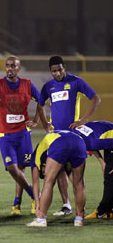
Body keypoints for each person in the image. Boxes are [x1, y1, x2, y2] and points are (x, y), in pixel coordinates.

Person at [39, 55, 101, 216]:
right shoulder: (48, 87)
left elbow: (96, 98)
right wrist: (45, 124)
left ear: (64, 68)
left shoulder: (76, 82)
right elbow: (40, 105)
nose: (57, 73)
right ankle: (67, 205)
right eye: (54, 71)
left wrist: (84, 119)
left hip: (74, 134)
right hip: (57, 135)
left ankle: (81, 210)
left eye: (60, 70)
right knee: (58, 170)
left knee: (76, 174)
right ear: (50, 71)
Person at [0, 56, 45, 215]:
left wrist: (37, 121)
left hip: (23, 134)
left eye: (13, 66)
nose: (10, 69)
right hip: (5, 134)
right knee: (12, 168)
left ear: (18, 68)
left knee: (22, 168)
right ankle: (34, 195)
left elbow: (41, 101)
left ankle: (17, 205)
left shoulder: (27, 84)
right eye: (7, 66)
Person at [27, 130, 87, 227]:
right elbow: (73, 177)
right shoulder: (58, 160)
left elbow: (35, 182)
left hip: (60, 143)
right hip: (79, 142)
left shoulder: (36, 157)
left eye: (43, 172)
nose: (44, 172)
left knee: (48, 182)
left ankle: (41, 219)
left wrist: (38, 206)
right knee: (79, 183)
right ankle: (79, 218)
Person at [69, 121, 113, 219]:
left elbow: (91, 144)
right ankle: (109, 209)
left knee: (110, 176)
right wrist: (101, 161)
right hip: (101, 133)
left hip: (110, 136)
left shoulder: (92, 144)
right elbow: (88, 140)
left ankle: (103, 211)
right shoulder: (74, 137)